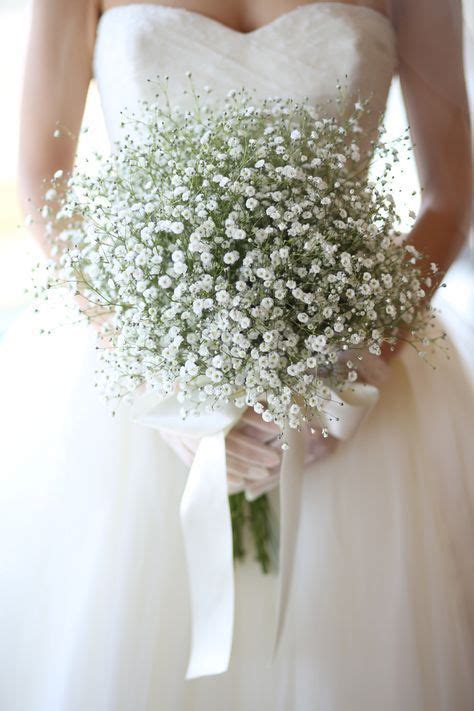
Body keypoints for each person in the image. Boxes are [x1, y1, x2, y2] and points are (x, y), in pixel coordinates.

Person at [0, 0, 472, 708]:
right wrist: (155, 369)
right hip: (134, 388)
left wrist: (354, 362)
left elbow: (449, 197)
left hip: (351, 392)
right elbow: (44, 179)